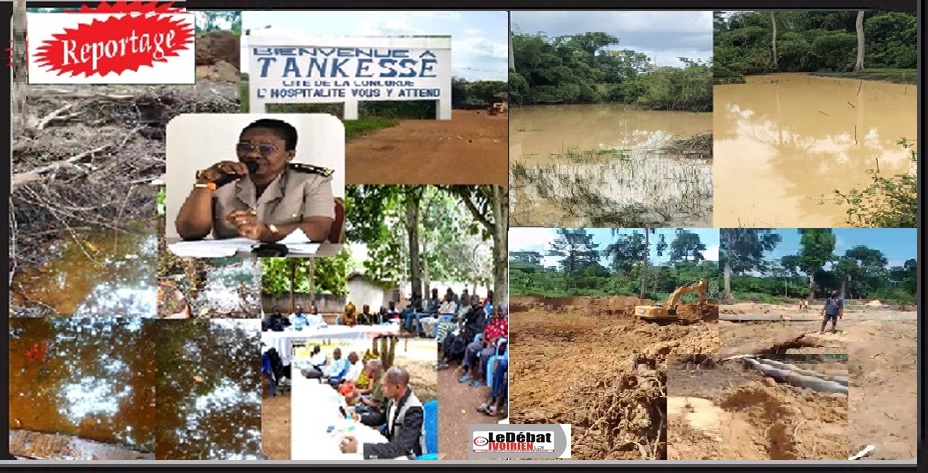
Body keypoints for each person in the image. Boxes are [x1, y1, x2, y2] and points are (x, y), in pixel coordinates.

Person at [175, 118, 336, 243]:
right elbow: (190, 232)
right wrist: (204, 183)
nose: (252, 155)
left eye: (266, 149)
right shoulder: (222, 178)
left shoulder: (312, 180)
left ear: (290, 155)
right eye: (245, 147)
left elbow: (319, 229)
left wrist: (267, 232)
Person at [339, 366, 427, 459]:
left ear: (397, 387)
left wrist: (359, 448)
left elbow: (402, 448)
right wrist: (359, 418)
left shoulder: (414, 410)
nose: (381, 389)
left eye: (384, 386)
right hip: (392, 449)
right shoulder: (394, 398)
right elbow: (382, 418)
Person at [458, 304, 508, 386]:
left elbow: (508, 336)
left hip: (496, 346)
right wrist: (484, 336)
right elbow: (486, 329)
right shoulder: (495, 320)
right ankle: (469, 371)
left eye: (502, 310)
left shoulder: (508, 323)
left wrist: (495, 339)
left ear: (506, 311)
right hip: (485, 342)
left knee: (484, 353)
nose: (500, 312)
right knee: (470, 347)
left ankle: (482, 377)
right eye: (499, 310)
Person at [438, 295, 488, 370]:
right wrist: (461, 324)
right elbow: (463, 317)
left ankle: (447, 359)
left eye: (474, 300)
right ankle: (446, 356)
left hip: (472, 333)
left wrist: (466, 328)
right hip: (465, 330)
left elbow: (479, 327)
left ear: (478, 301)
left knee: (458, 340)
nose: (472, 301)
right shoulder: (471, 310)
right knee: (449, 336)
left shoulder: (481, 312)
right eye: (471, 300)